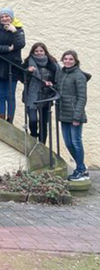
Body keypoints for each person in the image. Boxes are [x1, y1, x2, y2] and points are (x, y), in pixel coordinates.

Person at [56, 50, 91, 181]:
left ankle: (81, 170)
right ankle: (81, 167)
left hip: (75, 115)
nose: (68, 61)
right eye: (65, 59)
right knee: (68, 143)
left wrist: (77, 117)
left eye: (71, 59)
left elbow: (82, 98)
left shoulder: (79, 76)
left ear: (75, 61)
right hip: (63, 113)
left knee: (76, 142)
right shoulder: (61, 73)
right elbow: (59, 88)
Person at [0, 7, 25, 122]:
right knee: (0, 94)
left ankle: (10, 119)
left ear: (11, 17)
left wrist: (14, 31)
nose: (4, 18)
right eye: (2, 17)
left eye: (6, 16)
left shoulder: (18, 29)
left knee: (10, 95)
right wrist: (8, 49)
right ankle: (1, 117)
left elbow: (20, 44)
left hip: (12, 66)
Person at [23, 43, 59, 144]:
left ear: (45, 51)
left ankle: (42, 144)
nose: (39, 53)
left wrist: (51, 84)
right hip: (32, 97)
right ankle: (33, 136)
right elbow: (22, 78)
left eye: (41, 51)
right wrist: (28, 71)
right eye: (36, 51)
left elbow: (57, 80)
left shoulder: (52, 64)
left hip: (46, 96)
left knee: (44, 124)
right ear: (33, 52)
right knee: (33, 120)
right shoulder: (28, 63)